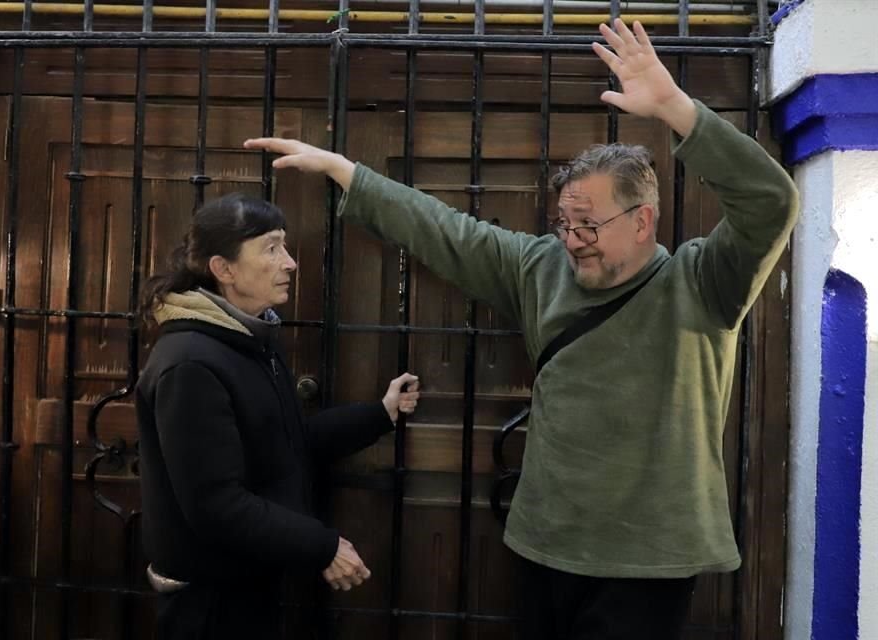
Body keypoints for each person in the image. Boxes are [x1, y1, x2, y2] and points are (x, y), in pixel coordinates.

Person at [243, 19, 800, 640]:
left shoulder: (704, 282)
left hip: (649, 562)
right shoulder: (542, 266)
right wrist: (348, 171)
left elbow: (770, 201)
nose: (572, 242)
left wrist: (673, 107)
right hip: (544, 546)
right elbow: (448, 232)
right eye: (564, 223)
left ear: (643, 221)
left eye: (587, 225)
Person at [135, 192, 421, 639]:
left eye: (284, 246)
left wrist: (379, 414)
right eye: (271, 248)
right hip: (212, 603)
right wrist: (323, 547)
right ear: (223, 269)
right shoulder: (190, 363)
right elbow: (215, 505)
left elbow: (287, 441)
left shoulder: (250, 339)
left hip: (251, 585)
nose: (289, 262)